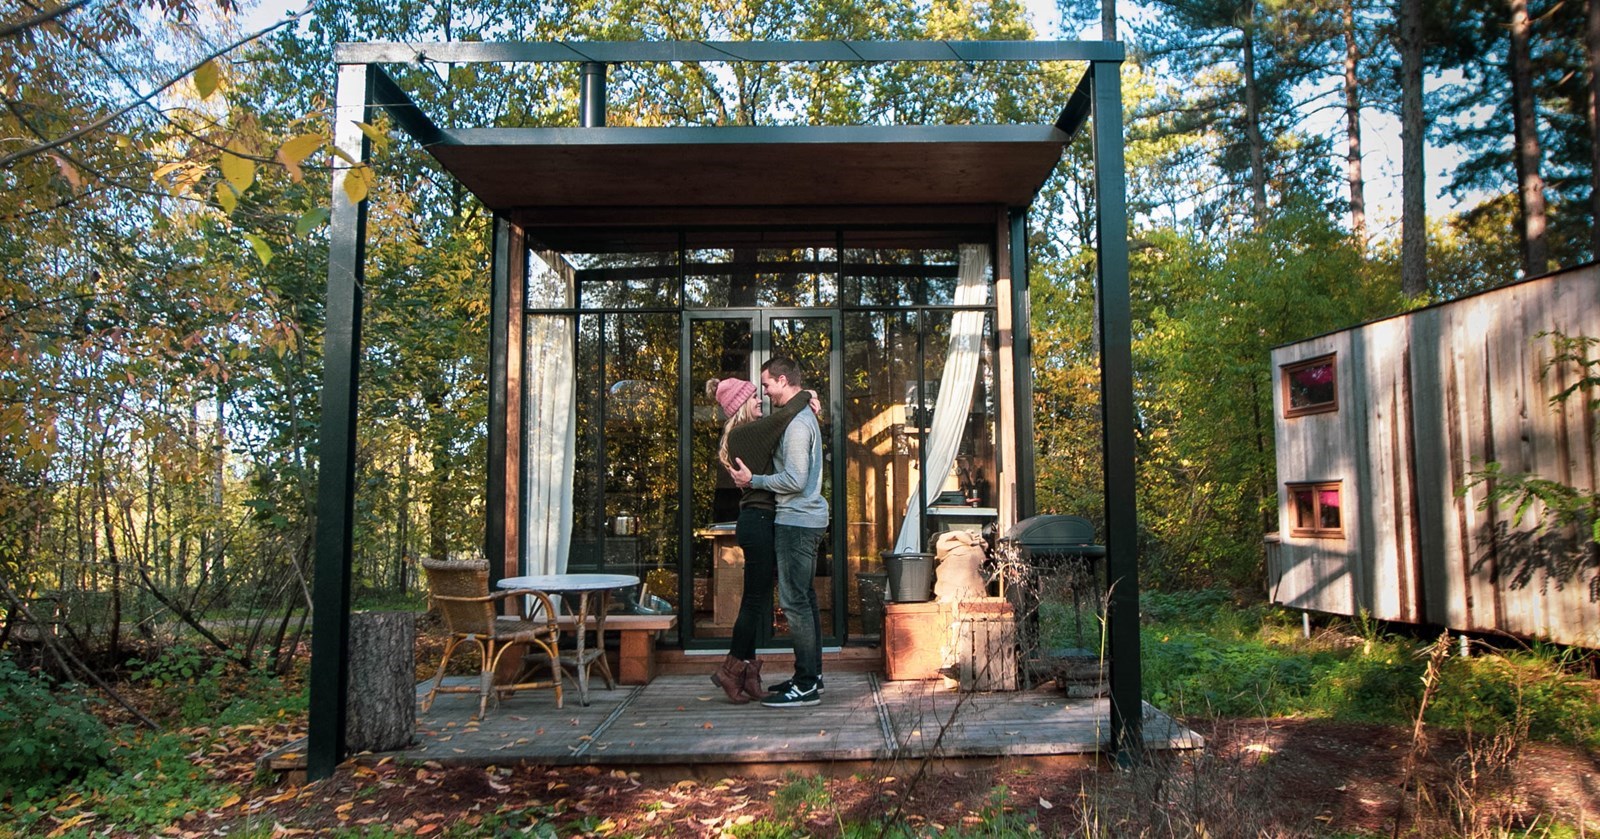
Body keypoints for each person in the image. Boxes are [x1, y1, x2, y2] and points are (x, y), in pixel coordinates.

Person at [703, 375, 816, 703]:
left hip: (758, 520)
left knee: (758, 598)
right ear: (739, 406)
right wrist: (807, 393)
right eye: (753, 398)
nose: (760, 401)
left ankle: (749, 672)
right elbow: (786, 415)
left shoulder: (743, 434)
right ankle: (730, 670)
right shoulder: (745, 433)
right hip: (758, 519)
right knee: (754, 599)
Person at [729, 356, 828, 708]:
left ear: (783, 380)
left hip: (797, 520)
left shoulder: (798, 425)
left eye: (768, 384)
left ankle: (804, 685)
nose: (766, 392)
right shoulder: (799, 416)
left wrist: (752, 480)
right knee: (804, 599)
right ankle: (811, 675)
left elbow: (795, 480)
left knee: (794, 602)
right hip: (801, 519)